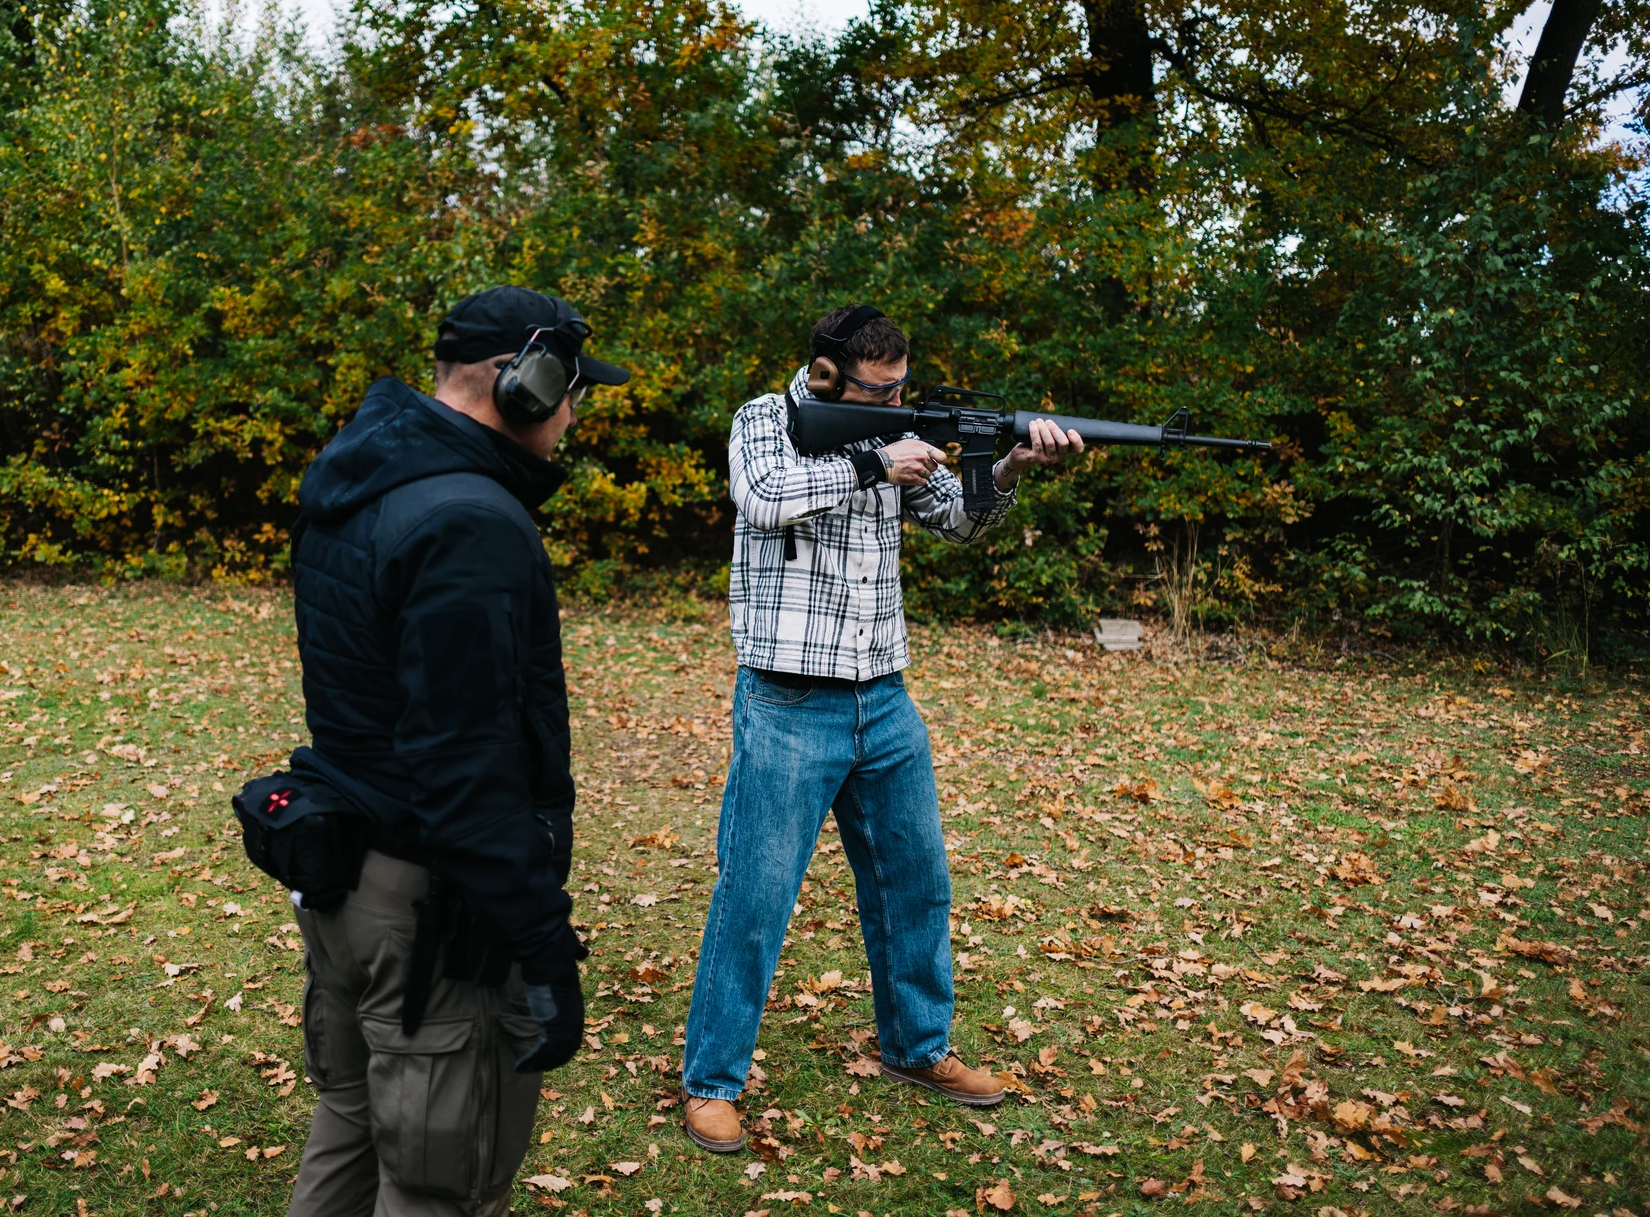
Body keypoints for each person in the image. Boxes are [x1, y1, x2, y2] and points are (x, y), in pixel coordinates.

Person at [679, 304, 1083, 1154]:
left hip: (885, 699)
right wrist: (873, 461)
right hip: (790, 701)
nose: (897, 406)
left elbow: (963, 521)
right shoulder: (770, 418)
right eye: (878, 392)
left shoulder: (896, 432)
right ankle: (712, 1083)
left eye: (903, 390)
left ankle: (917, 1048)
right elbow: (760, 500)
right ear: (829, 377)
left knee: (916, 883)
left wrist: (1006, 468)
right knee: (754, 900)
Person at [279, 286, 630, 1216]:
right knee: (442, 1183)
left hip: (348, 882)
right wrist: (543, 946)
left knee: (351, 1124)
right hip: (426, 907)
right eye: (572, 387)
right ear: (522, 383)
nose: (575, 410)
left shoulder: (361, 475)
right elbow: (466, 770)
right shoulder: (469, 521)